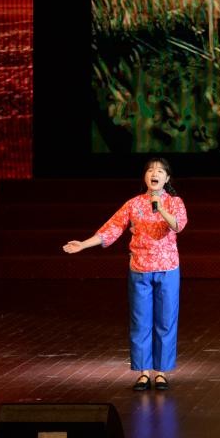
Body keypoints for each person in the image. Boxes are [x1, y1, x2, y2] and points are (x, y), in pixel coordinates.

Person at [63, 157, 188, 391]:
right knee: (140, 321)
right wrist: (84, 244)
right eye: (150, 170)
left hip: (167, 268)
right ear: (145, 177)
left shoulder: (175, 202)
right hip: (139, 268)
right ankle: (143, 373)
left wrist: (160, 207)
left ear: (167, 178)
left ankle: (161, 372)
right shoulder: (133, 204)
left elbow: (178, 226)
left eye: (160, 171)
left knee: (165, 321)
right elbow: (111, 229)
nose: (154, 174)